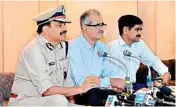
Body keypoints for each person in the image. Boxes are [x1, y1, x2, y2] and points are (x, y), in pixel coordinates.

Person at [8, 5, 96, 106]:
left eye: (64, 25)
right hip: (25, 101)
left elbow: (67, 84)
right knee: (59, 100)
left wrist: (72, 103)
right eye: (59, 25)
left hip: (52, 101)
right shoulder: (33, 50)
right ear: (45, 29)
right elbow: (47, 91)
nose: (65, 29)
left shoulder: (63, 47)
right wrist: (81, 89)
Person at [68, 9, 126, 96]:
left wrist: (116, 83)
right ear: (85, 28)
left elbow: (111, 71)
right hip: (80, 95)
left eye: (102, 25)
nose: (102, 28)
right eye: (97, 25)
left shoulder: (101, 47)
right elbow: (82, 82)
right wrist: (109, 81)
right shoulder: (74, 47)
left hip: (99, 91)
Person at [108, 15, 171, 92]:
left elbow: (153, 60)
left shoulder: (139, 44)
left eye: (141, 29)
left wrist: (165, 72)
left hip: (133, 86)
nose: (140, 33)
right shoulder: (112, 47)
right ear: (125, 30)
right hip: (116, 88)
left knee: (164, 93)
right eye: (137, 29)